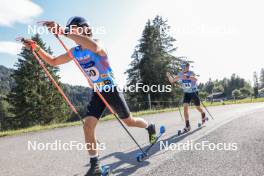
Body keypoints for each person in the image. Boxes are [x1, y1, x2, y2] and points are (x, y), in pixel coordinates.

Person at [22, 16, 156, 176]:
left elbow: (93, 46)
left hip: (111, 89)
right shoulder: (75, 51)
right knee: (88, 126)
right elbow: (54, 61)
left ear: (85, 28)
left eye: (73, 29)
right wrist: (36, 48)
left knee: (130, 121)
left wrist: (63, 31)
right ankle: (95, 165)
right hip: (98, 92)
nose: (71, 33)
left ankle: (150, 127)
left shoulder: (97, 44)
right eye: (70, 30)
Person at [166, 63, 206, 132]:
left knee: (198, 107)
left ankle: (203, 113)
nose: (183, 68)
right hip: (186, 93)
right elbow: (172, 81)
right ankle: (187, 125)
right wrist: (169, 76)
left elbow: (195, 79)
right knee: (185, 108)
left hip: (194, 92)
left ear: (188, 67)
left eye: (184, 67)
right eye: (182, 67)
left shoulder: (191, 72)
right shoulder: (180, 74)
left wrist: (187, 77)